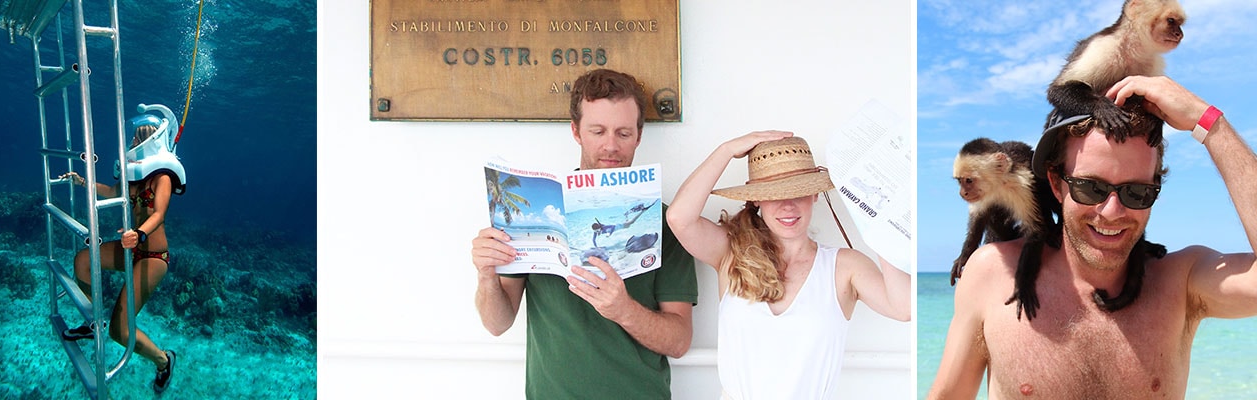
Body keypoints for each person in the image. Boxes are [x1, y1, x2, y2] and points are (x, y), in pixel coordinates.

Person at [928, 75, 1257, 399]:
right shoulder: (991, 275)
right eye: (1090, 187)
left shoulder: (1181, 282)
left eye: (1137, 192)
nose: (1112, 212)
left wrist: (1209, 123)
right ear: (1056, 184)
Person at [469, 69, 697, 399]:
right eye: (597, 131)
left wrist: (624, 310)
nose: (611, 146)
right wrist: (486, 274)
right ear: (576, 131)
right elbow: (497, 324)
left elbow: (679, 342)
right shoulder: (535, 209)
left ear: (638, 136)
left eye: (623, 133)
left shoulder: (667, 222)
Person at [666, 132, 911, 399]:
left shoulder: (844, 266)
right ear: (756, 198)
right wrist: (726, 150)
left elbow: (904, 308)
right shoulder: (731, 252)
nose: (788, 206)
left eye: (799, 192)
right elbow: (679, 218)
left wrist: (881, 221)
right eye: (774, 194)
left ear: (815, 194)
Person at [59, 109, 184, 393]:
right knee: (83, 260)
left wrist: (139, 234)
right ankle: (92, 323)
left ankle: (164, 361)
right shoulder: (134, 175)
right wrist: (82, 182)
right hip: (131, 246)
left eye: (140, 136)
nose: (134, 140)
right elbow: (111, 191)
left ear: (153, 140)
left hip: (153, 256)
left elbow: (159, 214)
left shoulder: (163, 177)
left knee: (120, 330)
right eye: (135, 136)